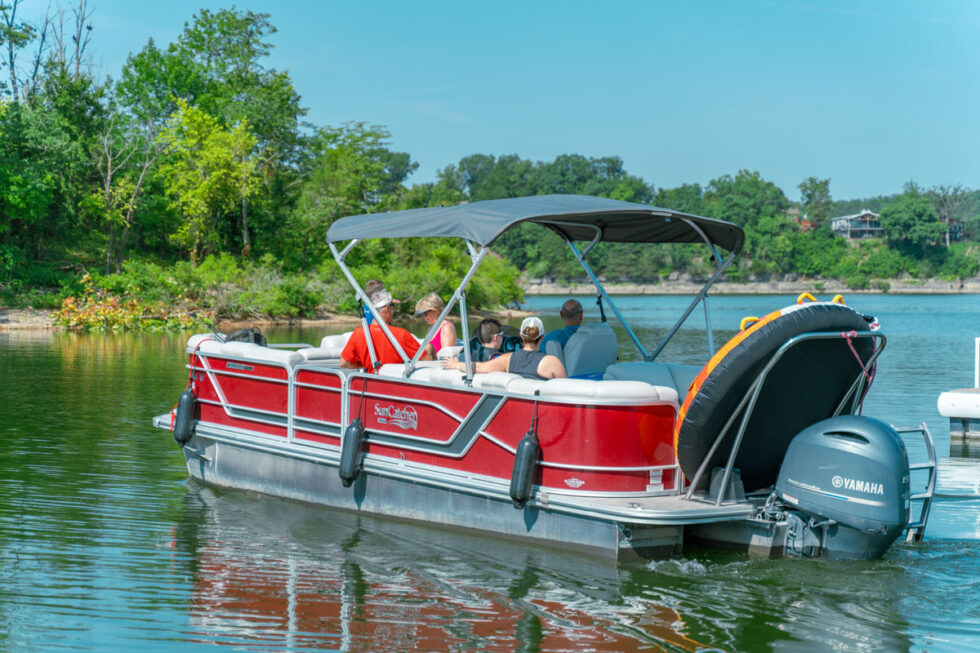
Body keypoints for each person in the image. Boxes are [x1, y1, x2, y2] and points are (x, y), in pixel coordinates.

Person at [443, 316, 566, 380]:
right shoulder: (552, 362)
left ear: (521, 336)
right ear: (542, 337)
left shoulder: (508, 359)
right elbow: (566, 391)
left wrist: (456, 364)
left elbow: (479, 368)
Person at [341, 290, 434, 371]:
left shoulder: (358, 333)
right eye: (393, 306)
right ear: (388, 308)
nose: (393, 310)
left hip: (370, 382)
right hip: (393, 383)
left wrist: (365, 365)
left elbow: (344, 363)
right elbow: (427, 359)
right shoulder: (401, 334)